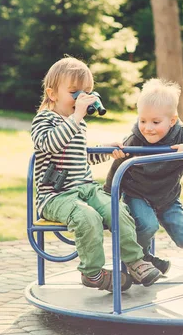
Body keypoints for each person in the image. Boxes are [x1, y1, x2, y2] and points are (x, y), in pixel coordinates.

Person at [31, 56, 161, 292]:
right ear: (52, 94)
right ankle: (92, 273)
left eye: (87, 92)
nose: (82, 98)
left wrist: (105, 151)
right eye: (74, 92)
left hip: (85, 188)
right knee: (87, 218)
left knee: (117, 209)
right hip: (56, 196)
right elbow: (50, 145)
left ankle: (135, 261)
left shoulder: (79, 124)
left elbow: (81, 156)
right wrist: (76, 117)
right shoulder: (44, 120)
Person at [104, 78, 183, 275]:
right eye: (142, 121)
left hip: (167, 197)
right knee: (147, 226)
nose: (148, 127)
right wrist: (108, 200)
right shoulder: (134, 141)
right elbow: (117, 169)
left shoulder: (182, 136)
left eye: (155, 122)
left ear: (172, 120)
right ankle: (139, 260)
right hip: (137, 195)